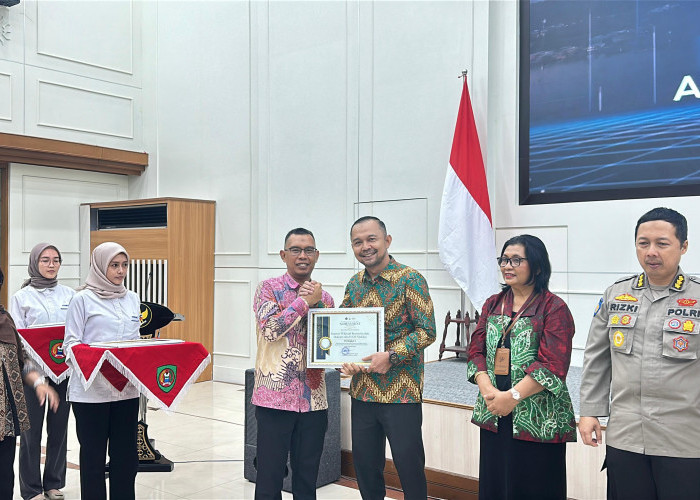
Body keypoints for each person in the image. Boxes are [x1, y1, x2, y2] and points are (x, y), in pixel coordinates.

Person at [580, 207, 700, 500]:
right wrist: (589, 410)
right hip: (626, 435)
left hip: (685, 438)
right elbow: (597, 358)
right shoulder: (616, 295)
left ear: (683, 246)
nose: (651, 252)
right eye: (643, 243)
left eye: (662, 243)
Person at [466, 234, 576, 500]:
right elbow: (475, 349)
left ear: (537, 267)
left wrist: (512, 396)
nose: (507, 266)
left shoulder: (554, 307)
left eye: (516, 260)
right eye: (504, 259)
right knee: (496, 484)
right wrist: (489, 390)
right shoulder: (493, 303)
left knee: (534, 487)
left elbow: (552, 364)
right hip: (494, 411)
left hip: (535, 418)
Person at [340, 216, 436, 500]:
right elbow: (344, 330)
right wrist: (345, 358)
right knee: (366, 469)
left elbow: (427, 332)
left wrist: (392, 356)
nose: (365, 247)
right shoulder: (354, 284)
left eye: (372, 239)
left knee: (409, 468)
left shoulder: (410, 279)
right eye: (358, 242)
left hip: (401, 394)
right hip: (363, 392)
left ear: (387, 241)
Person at [251, 228, 334, 500]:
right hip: (273, 399)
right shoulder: (268, 289)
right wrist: (303, 302)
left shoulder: (327, 298)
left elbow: (328, 345)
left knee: (307, 478)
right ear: (283, 255)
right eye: (296, 250)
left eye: (309, 250)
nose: (303, 256)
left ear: (317, 255)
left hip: (314, 400)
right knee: (269, 477)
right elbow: (271, 331)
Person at [64, 242, 141, 500]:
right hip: (91, 393)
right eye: (114, 265)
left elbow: (135, 341)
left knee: (126, 458)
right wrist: (100, 360)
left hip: (126, 391)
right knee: (94, 459)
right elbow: (70, 345)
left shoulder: (132, 298)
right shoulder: (82, 299)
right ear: (99, 266)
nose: (120, 271)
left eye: (124, 265)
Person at [11, 243, 75, 500]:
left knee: (59, 428)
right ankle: (31, 489)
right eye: (45, 260)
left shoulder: (70, 295)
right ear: (35, 262)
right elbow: (18, 342)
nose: (51, 265)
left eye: (56, 260)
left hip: (64, 371)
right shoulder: (21, 298)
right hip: (33, 373)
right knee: (31, 432)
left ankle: (53, 483)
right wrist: (34, 376)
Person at [0, 267, 59, 500]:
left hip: (7, 419)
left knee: (5, 478)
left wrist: (38, 383)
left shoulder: (5, 320)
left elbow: (21, 361)